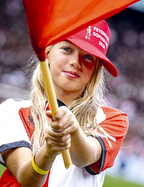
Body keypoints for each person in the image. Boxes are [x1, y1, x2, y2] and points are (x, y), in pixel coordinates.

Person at [0, 20, 129, 187]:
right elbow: (27, 180)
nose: (76, 62)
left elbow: (84, 157)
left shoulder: (113, 119)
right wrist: (49, 151)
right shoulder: (11, 111)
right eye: (68, 49)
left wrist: (73, 130)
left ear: (96, 70)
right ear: (47, 51)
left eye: (88, 57)